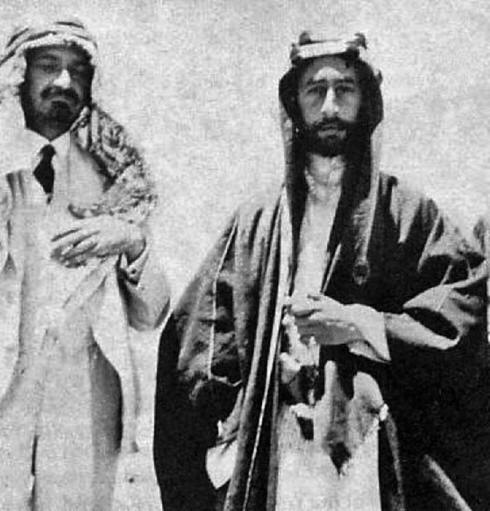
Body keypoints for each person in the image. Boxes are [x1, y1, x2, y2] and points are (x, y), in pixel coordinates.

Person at [154, 32, 489, 511]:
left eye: (345, 89)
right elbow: (198, 345)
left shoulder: (409, 213)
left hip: (375, 452)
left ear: (366, 100)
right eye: (316, 90)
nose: (330, 106)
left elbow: (459, 315)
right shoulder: (256, 223)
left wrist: (360, 326)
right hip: (282, 451)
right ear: (294, 103)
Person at [0, 16, 170, 510]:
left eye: (78, 70)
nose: (64, 81)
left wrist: (132, 242)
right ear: (19, 74)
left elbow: (152, 312)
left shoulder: (117, 181)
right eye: (49, 65)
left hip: (82, 411)